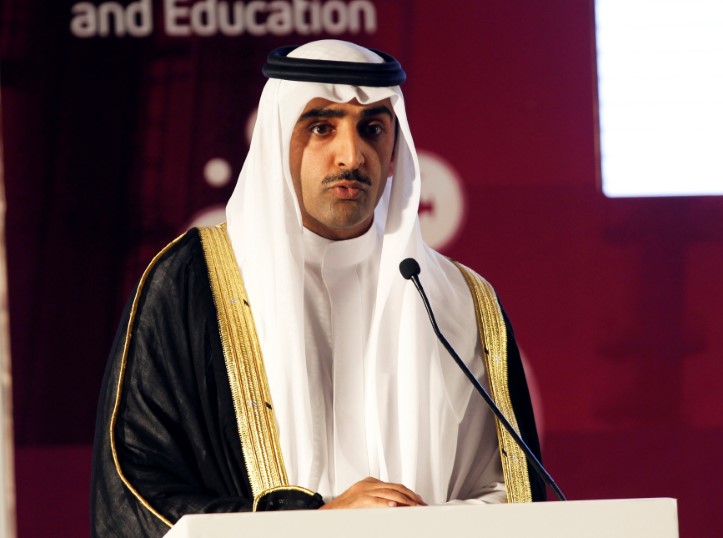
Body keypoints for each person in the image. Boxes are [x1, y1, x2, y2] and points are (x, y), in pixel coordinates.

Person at [91, 39, 545, 537]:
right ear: (277, 138)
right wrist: (313, 524)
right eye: (321, 127)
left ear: (395, 152)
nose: (351, 155)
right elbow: (135, 490)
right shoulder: (191, 283)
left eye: (372, 129)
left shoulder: (457, 300)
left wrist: (412, 525)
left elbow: (513, 495)